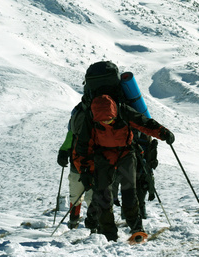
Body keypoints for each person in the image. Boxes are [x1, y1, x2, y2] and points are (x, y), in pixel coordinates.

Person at [74, 93, 175, 242]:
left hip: (126, 153)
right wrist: (85, 171)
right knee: (103, 195)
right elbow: (82, 147)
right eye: (103, 121)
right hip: (103, 156)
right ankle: (107, 233)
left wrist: (163, 133)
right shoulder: (90, 117)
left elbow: (144, 122)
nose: (107, 123)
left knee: (129, 192)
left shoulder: (123, 110)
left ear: (114, 113)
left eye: (109, 119)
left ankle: (136, 229)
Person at [57, 105, 97, 231]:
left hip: (77, 163)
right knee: (92, 196)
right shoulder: (98, 115)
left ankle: (74, 221)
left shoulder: (78, 112)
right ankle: (94, 225)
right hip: (95, 165)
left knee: (75, 194)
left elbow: (71, 135)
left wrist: (64, 151)